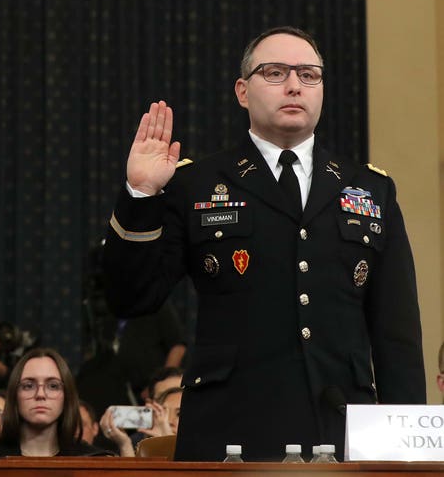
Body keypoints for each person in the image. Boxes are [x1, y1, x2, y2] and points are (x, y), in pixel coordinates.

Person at [102, 26, 425, 461]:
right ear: (242, 91)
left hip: (340, 426)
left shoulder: (369, 188)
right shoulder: (197, 182)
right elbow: (132, 298)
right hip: (229, 427)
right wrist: (140, 195)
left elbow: (396, 334)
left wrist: (407, 451)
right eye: (274, 72)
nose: (294, 85)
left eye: (309, 75)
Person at [0, 348, 111, 459]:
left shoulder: (94, 460)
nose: (40, 394)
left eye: (53, 386)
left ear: (67, 396)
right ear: (15, 396)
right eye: (28, 386)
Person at [100, 386, 182, 457]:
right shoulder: (144, 447)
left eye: (179, 414)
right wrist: (125, 445)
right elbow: (134, 474)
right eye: (163, 413)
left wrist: (167, 443)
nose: (169, 421)